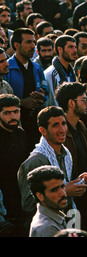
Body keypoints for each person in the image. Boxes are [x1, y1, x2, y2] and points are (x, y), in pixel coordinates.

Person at [17, 107, 87, 231]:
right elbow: (28, 205)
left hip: (65, 219)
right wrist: (65, 191)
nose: (62, 129)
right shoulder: (36, 161)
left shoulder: (66, 154)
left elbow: (64, 184)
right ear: (43, 130)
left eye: (64, 124)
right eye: (55, 125)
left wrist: (78, 182)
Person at [54, 82, 87, 235]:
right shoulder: (60, 134)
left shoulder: (81, 126)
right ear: (71, 103)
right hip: (71, 201)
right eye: (84, 100)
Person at [4, 28, 46, 151]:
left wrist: (41, 98)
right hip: (14, 126)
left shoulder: (37, 68)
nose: (33, 46)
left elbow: (45, 91)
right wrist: (22, 102)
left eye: (34, 42)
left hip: (35, 124)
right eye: (28, 42)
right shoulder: (7, 69)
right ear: (17, 45)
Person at [0, 94, 29, 236]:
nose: (13, 117)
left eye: (16, 112)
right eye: (7, 113)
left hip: (20, 198)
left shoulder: (20, 134)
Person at [27, 165, 68, 237]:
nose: (63, 193)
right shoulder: (46, 228)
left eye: (62, 187)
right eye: (54, 190)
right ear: (40, 196)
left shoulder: (55, 217)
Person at [44, 35, 77, 107]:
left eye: (75, 47)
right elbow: (54, 102)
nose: (75, 51)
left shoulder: (72, 72)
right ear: (60, 49)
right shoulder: (51, 73)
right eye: (70, 47)